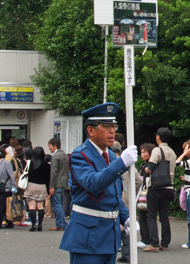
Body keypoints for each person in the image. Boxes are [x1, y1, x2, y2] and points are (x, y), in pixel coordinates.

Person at [59, 102, 138, 264]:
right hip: (87, 236)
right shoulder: (80, 155)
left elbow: (115, 193)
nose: (112, 131)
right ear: (90, 130)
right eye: (106, 126)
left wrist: (126, 217)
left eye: (114, 126)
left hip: (109, 233)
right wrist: (121, 163)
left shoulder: (109, 154)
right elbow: (93, 183)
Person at [142, 127, 177, 253]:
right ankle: (165, 243)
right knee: (164, 215)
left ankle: (154, 243)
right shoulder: (172, 152)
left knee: (151, 215)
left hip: (156, 186)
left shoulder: (157, 150)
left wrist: (144, 170)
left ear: (158, 137)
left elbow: (150, 168)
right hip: (168, 187)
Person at [111, 141, 142, 264]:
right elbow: (139, 181)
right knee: (128, 226)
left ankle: (118, 247)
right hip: (128, 197)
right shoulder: (129, 163)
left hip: (116, 197)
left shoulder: (110, 162)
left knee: (117, 223)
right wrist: (132, 192)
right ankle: (128, 252)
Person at [48, 138, 69, 231]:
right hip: (64, 182)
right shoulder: (65, 155)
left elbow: (54, 172)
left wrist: (51, 185)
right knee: (60, 202)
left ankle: (60, 224)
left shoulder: (55, 157)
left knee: (56, 204)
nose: (49, 148)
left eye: (50, 146)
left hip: (56, 183)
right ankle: (62, 223)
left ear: (54, 145)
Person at [136, 143, 155, 249]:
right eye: (141, 152)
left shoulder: (149, 166)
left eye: (144, 152)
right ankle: (145, 238)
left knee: (145, 215)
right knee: (143, 215)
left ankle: (146, 239)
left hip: (147, 193)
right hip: (144, 193)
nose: (141, 154)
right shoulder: (144, 165)